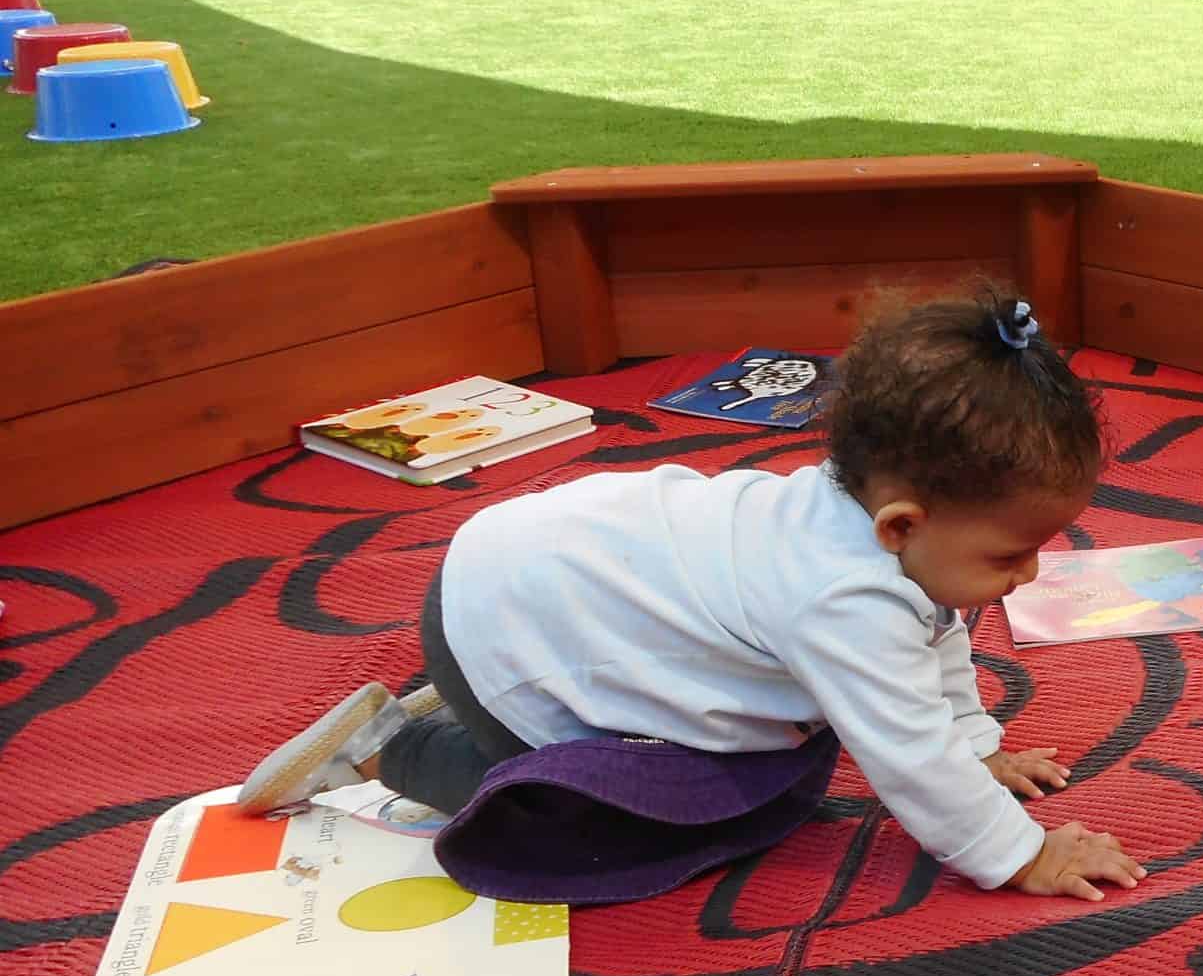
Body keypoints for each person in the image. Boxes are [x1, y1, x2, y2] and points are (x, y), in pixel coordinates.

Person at [239, 293, 1148, 904]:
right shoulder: (843, 599)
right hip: (511, 624)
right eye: (1013, 552)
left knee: (787, 746)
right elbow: (907, 755)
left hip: (526, 585)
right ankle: (395, 747)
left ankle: (496, 687)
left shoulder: (874, 527)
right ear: (903, 525)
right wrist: (1019, 852)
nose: (1027, 574)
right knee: (681, 809)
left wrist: (979, 749)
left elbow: (938, 638)